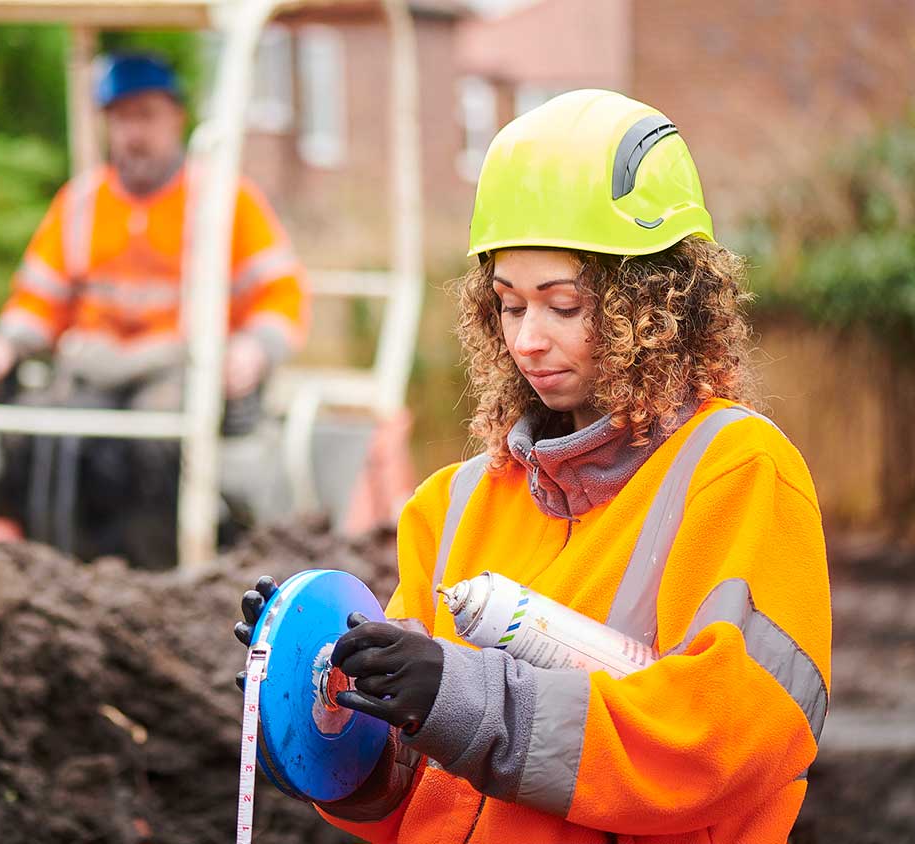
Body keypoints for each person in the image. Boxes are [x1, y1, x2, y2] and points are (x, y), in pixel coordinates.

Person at [233, 89, 830, 843]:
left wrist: (466, 698)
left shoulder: (738, 473)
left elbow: (723, 743)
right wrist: (313, 704)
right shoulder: (451, 505)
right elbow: (403, 798)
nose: (528, 340)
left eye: (564, 304)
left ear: (654, 302)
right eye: (511, 305)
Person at [0, 53, 307, 565]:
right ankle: (56, 569)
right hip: (92, 370)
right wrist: (3, 344)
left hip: (178, 370)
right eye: (121, 118)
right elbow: (38, 301)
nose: (134, 133)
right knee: (54, 434)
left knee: (157, 439)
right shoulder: (82, 204)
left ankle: (159, 577)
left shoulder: (225, 201)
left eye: (146, 116)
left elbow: (281, 294)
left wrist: (253, 350)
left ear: (176, 118)